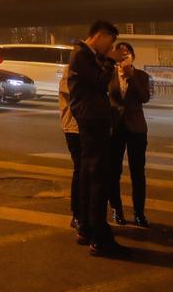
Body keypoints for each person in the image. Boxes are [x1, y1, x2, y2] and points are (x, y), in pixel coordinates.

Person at [67, 20, 130, 258]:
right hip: (91, 120)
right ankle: (99, 238)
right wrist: (111, 60)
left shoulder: (85, 54)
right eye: (110, 41)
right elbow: (99, 82)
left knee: (89, 174)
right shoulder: (82, 55)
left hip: (91, 118)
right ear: (102, 36)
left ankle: (87, 228)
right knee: (98, 177)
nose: (110, 46)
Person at [107, 42, 151, 228]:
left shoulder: (141, 75)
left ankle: (139, 212)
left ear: (133, 56)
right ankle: (117, 209)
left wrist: (132, 78)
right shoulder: (108, 75)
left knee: (137, 172)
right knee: (113, 171)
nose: (124, 56)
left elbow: (144, 98)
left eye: (128, 53)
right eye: (121, 53)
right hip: (115, 128)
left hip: (136, 128)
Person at [57, 63, 82, 235]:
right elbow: (75, 93)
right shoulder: (72, 68)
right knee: (81, 169)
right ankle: (78, 214)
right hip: (75, 127)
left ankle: (86, 214)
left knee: (88, 172)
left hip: (91, 127)